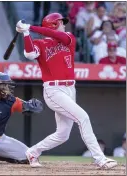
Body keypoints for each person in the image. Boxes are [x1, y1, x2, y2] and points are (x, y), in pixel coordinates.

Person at [15, 12, 117, 169]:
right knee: (83, 118)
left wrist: (30, 27)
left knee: (63, 134)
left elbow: (56, 35)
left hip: (70, 88)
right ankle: (99, 158)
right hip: (54, 90)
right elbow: (29, 54)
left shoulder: (68, 38)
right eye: (61, 22)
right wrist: (26, 33)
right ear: (54, 24)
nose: (64, 25)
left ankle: (33, 151)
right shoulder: (41, 44)